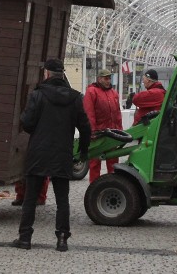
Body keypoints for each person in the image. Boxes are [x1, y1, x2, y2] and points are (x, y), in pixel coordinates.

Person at [12, 58, 91, 252]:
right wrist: (83, 150)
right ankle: (62, 239)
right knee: (62, 200)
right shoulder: (75, 98)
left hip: (38, 152)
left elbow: (27, 123)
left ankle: (25, 239)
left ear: (46, 73)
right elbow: (86, 127)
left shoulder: (37, 95)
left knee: (30, 198)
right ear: (62, 74)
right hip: (62, 154)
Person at [83, 69, 123, 183]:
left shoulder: (114, 93)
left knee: (113, 162)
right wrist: (93, 132)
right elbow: (89, 114)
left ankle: (113, 185)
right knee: (95, 163)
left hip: (112, 133)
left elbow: (117, 113)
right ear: (99, 79)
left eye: (109, 78)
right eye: (106, 78)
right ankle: (94, 187)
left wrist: (119, 130)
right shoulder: (91, 92)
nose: (108, 81)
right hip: (99, 134)